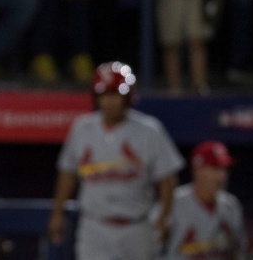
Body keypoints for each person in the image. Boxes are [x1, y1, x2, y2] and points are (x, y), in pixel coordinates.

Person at [49, 61, 185, 260]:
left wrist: (164, 216)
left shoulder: (149, 130)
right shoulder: (82, 128)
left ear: (127, 97)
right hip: (94, 226)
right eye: (105, 94)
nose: (110, 101)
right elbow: (67, 174)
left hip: (137, 226)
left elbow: (167, 179)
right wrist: (57, 212)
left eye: (115, 95)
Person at [160, 140, 246, 260]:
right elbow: (151, 247)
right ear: (198, 170)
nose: (222, 176)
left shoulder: (231, 206)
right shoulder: (173, 203)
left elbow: (238, 252)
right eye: (216, 168)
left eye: (224, 169)